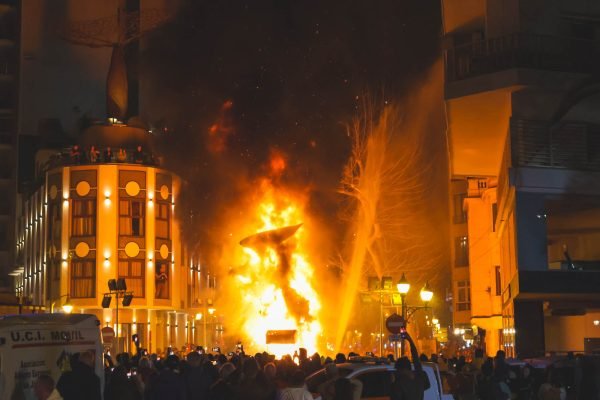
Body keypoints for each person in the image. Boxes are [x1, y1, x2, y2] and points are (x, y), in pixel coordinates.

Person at [390, 330, 430, 400]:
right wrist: (410, 340)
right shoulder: (419, 377)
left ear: (403, 369)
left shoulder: (399, 383)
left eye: (398, 370)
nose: (397, 372)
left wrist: (392, 383)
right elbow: (416, 359)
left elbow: (395, 397)